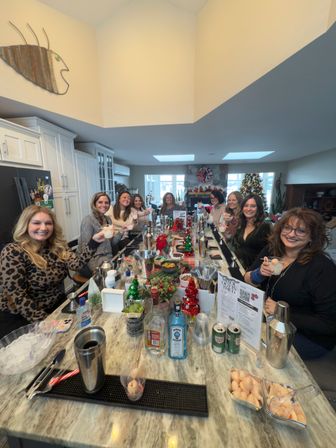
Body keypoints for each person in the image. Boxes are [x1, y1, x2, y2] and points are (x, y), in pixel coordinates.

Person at [0, 205, 105, 338]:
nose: (43, 228)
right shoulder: (13, 252)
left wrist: (94, 242)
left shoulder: (56, 247)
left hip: (55, 308)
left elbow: (76, 264)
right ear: (26, 225)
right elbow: (19, 298)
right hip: (22, 319)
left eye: (48, 223)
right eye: (36, 223)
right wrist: (49, 323)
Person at [244, 208, 336, 360]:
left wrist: (282, 313)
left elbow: (329, 324)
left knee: (254, 346)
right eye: (287, 227)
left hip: (308, 337)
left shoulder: (321, 268)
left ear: (311, 236)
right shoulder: (273, 250)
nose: (291, 234)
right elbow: (246, 277)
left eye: (300, 231)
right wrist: (259, 273)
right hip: (273, 321)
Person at [78, 192, 117, 276]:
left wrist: (119, 233)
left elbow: (109, 244)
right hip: (90, 262)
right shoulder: (88, 221)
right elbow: (86, 250)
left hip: (106, 258)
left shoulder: (108, 219)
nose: (104, 205)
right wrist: (96, 271)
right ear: (94, 204)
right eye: (100, 202)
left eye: (106, 203)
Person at [231, 194, 272, 269]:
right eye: (246, 205)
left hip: (255, 271)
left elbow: (271, 252)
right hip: (239, 267)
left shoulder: (265, 227)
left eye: (253, 206)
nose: (248, 209)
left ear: (258, 208)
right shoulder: (241, 224)